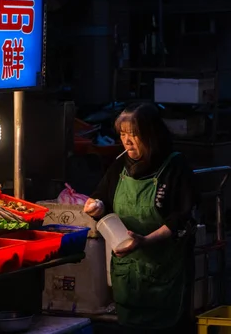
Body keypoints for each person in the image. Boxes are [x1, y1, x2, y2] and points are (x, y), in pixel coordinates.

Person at [83, 103, 197, 333]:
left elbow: (181, 218)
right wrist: (95, 206)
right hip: (128, 276)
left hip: (165, 275)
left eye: (134, 134)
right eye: (123, 134)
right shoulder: (119, 166)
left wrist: (146, 241)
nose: (127, 141)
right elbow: (101, 198)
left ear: (152, 135)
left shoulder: (175, 165)